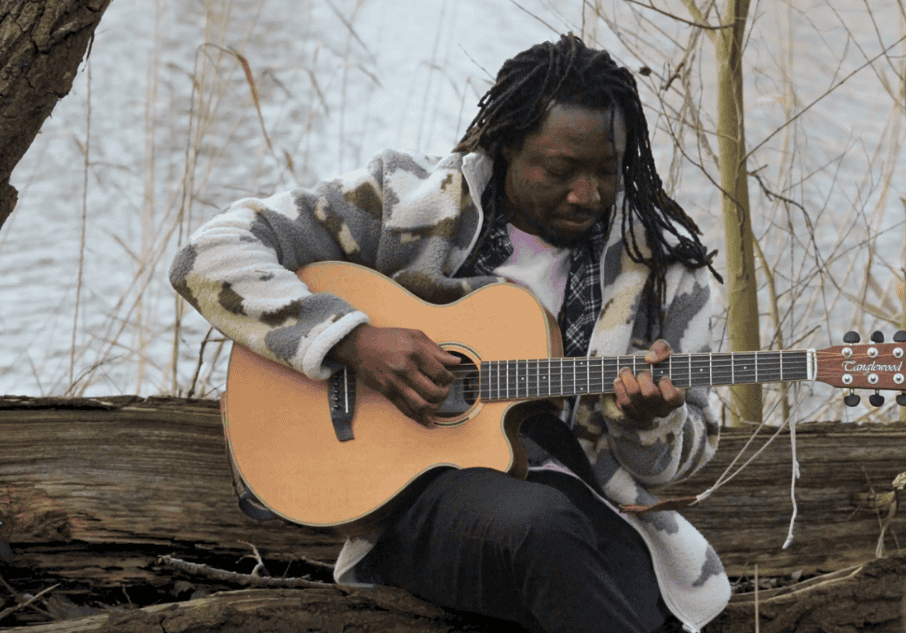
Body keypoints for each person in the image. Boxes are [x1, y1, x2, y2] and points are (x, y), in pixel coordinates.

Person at [170, 34, 730, 633]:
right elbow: (207, 255)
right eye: (562, 170)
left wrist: (647, 421)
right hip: (415, 503)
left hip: (594, 509)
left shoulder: (669, 277)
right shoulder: (410, 204)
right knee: (543, 529)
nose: (587, 193)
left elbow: (673, 464)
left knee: (639, 600)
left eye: (607, 171)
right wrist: (351, 341)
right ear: (508, 144)